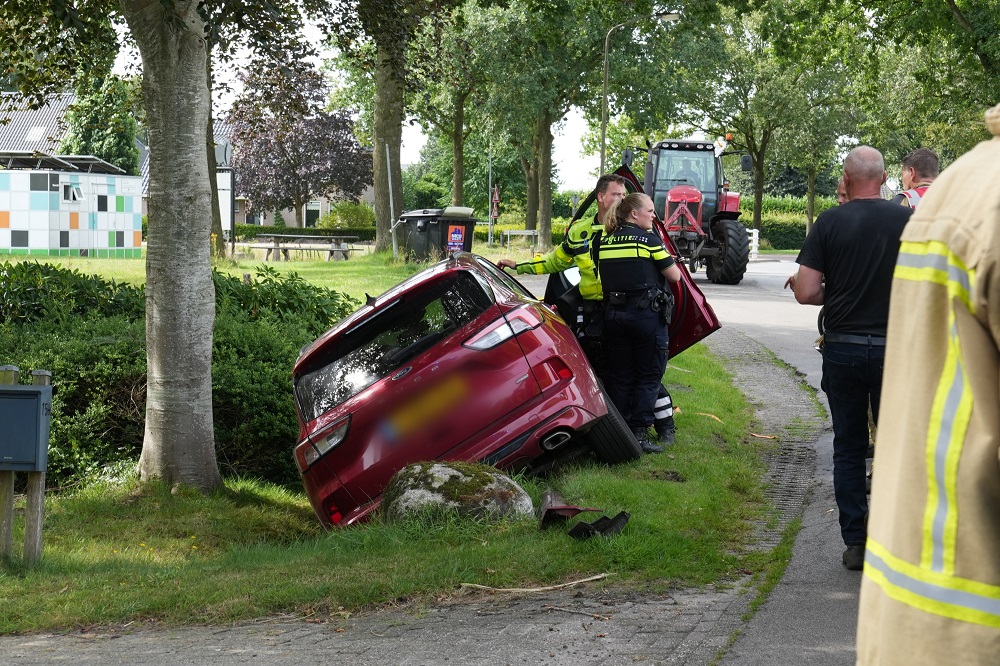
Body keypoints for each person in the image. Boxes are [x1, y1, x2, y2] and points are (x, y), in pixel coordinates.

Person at [855, 103, 1000, 665]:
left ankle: (852, 533)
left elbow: (808, 289)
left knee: (853, 445)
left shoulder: (957, 190)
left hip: (917, 624)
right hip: (975, 639)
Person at [783, 146, 912, 571]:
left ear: (846, 177)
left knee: (850, 448)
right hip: (895, 348)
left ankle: (856, 542)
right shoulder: (908, 221)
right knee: (896, 448)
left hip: (843, 348)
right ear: (884, 176)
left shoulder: (829, 222)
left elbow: (805, 292)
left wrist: (836, 294)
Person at [499, 175, 679, 451]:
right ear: (601, 197)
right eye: (617, 195)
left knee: (641, 369)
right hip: (597, 310)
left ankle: (663, 425)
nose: (621, 199)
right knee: (617, 370)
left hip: (622, 308)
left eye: (624, 195)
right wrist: (519, 266)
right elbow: (556, 261)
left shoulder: (627, 231)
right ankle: (622, 430)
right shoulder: (582, 231)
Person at [597, 193, 682, 452]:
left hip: (613, 317)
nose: (654, 216)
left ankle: (619, 433)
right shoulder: (648, 241)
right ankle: (640, 434)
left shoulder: (606, 241)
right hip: (645, 319)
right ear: (634, 214)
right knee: (648, 376)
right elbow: (675, 277)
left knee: (622, 375)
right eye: (650, 211)